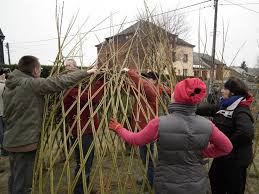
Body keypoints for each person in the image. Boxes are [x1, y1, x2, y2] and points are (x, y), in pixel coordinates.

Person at [109, 78, 233, 194]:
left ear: (176, 97)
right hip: (197, 185)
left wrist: (118, 128)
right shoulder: (208, 125)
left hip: (167, 185)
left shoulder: (159, 123)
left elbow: (136, 140)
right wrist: (202, 152)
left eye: (174, 92)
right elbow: (227, 147)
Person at [3, 55, 97, 194]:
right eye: (40, 68)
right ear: (35, 70)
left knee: (16, 176)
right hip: (24, 141)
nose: (40, 71)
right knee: (23, 182)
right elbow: (59, 81)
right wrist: (86, 72)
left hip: (12, 138)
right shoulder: (30, 84)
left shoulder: (10, 85)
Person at [196, 77, 255, 194]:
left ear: (232, 92)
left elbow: (246, 133)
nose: (222, 91)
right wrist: (191, 107)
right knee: (214, 180)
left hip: (235, 161)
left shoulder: (241, 109)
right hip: (223, 157)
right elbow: (210, 109)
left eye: (225, 88)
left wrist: (224, 143)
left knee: (233, 189)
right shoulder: (226, 105)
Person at [63, 59, 104, 194]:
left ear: (76, 69)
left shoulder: (80, 85)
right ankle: (80, 190)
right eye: (66, 66)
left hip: (87, 128)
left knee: (87, 161)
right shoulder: (70, 89)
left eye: (70, 65)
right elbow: (93, 98)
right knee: (84, 162)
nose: (67, 68)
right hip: (81, 130)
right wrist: (100, 82)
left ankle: (84, 188)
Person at [123, 68, 160, 188]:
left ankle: (151, 182)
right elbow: (131, 89)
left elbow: (142, 85)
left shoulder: (153, 90)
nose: (145, 80)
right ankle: (150, 178)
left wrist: (130, 71)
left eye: (147, 78)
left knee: (148, 157)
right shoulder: (143, 92)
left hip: (147, 129)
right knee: (145, 157)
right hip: (141, 128)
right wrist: (124, 80)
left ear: (154, 81)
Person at [0, 73, 8, 157]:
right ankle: (5, 150)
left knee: (2, 133)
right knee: (5, 132)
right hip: (4, 112)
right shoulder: (5, 86)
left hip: (3, 112)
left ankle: (4, 150)